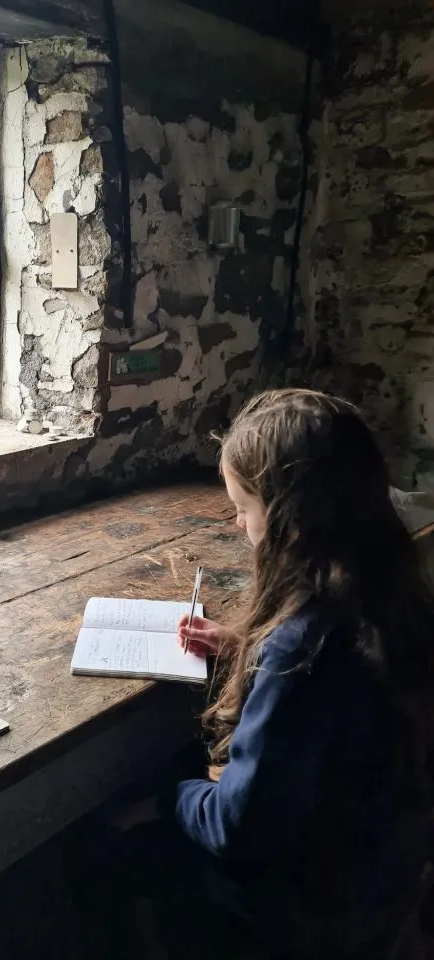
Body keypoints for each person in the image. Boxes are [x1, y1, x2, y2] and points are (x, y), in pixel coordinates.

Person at [74, 390, 434, 960]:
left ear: (291, 517)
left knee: (107, 840)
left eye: (243, 508)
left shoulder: (301, 649)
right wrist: (247, 644)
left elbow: (238, 826)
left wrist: (169, 800)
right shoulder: (395, 599)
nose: (239, 525)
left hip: (313, 909)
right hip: (384, 867)